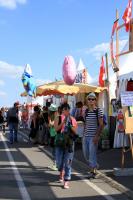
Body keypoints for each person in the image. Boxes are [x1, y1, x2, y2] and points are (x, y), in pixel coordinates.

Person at [54, 104, 77, 189]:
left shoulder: (72, 119)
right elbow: (56, 129)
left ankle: (66, 180)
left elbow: (75, 131)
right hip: (59, 142)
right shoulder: (58, 118)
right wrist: (63, 122)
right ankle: (61, 171)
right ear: (62, 110)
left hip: (69, 143)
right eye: (65, 109)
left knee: (68, 162)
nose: (66, 111)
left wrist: (70, 125)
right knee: (59, 162)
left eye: (68, 109)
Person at [83, 92, 103, 178]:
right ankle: (94, 165)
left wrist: (97, 136)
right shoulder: (86, 111)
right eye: (89, 99)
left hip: (93, 136)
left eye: (93, 99)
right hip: (86, 136)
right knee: (86, 154)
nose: (91, 100)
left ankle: (93, 171)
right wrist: (83, 134)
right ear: (87, 100)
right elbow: (86, 123)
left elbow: (101, 124)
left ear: (95, 100)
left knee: (92, 153)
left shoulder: (98, 110)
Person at [48, 104, 58, 170]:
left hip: (56, 135)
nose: (49, 111)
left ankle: (56, 164)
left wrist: (50, 123)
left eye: (50, 110)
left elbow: (52, 125)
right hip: (52, 135)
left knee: (55, 151)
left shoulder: (57, 117)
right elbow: (50, 125)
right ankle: (55, 164)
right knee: (53, 150)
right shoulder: (51, 117)